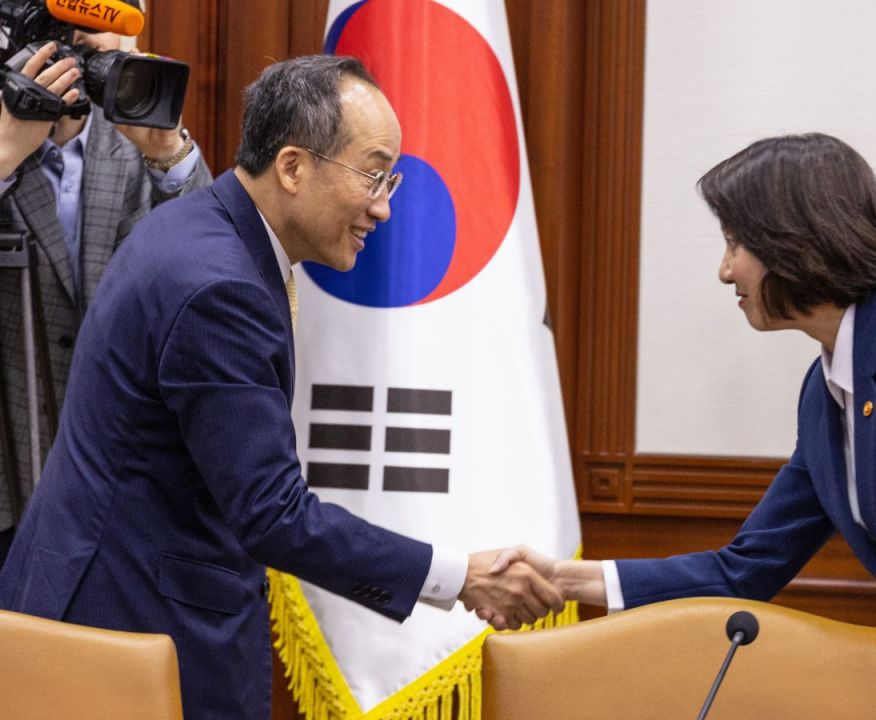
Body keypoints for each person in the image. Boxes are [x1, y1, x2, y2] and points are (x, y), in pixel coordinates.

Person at [0, 54, 562, 719]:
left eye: (391, 180)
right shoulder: (220, 287)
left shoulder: (199, 229)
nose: (384, 207)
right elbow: (271, 513)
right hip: (129, 629)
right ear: (292, 167)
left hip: (114, 605)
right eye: (373, 175)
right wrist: (458, 576)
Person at [493, 134, 876, 720]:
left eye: (734, 244)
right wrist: (566, 580)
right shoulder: (828, 387)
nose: (725, 271)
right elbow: (744, 570)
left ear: (795, 242)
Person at [0, 33, 213, 564]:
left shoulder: (138, 135)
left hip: (116, 487)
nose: (75, 52)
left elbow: (212, 274)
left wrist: (169, 152)